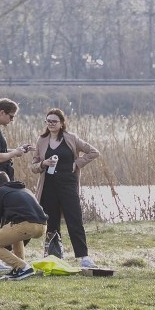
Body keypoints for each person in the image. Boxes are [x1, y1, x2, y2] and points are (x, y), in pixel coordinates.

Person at [30, 108, 100, 268]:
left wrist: (77, 163)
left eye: (54, 121)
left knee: (74, 219)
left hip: (68, 185)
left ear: (61, 123)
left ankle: (84, 257)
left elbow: (94, 152)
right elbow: (33, 167)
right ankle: (54, 255)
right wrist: (43, 163)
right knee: (52, 222)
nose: (51, 124)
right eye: (48, 121)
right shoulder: (41, 141)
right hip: (48, 186)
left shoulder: (71, 138)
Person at [0, 98, 32, 271]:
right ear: (1, 112)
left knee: (1, 217)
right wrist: (14, 153)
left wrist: (17, 150)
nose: (11, 120)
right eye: (11, 116)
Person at [0, 171, 48, 280]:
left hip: (25, 225)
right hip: (43, 226)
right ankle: (19, 268)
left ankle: (23, 267)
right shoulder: (25, 190)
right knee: (13, 231)